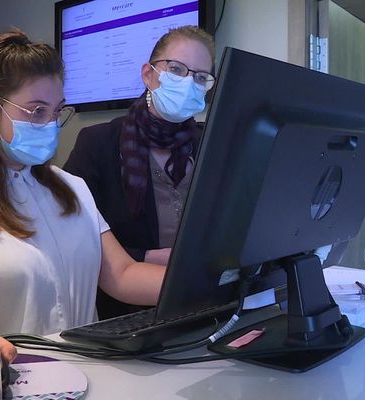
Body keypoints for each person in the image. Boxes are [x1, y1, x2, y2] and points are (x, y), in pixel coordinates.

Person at [0, 29, 165, 371]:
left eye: (56, 112)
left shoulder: (74, 188)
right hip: (6, 373)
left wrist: (207, 287)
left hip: (93, 371)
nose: (50, 125)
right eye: (36, 111)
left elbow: (122, 274)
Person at [63, 26, 215, 319]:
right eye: (176, 69)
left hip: (204, 308)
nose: (187, 83)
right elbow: (73, 239)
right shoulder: (97, 144)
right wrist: (145, 257)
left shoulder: (210, 143)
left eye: (199, 77)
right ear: (148, 75)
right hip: (124, 314)